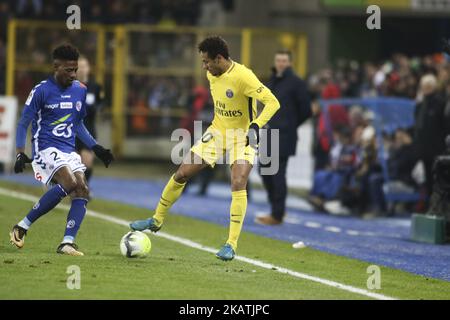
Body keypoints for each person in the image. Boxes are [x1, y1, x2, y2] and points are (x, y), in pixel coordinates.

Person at [130, 36, 280, 261]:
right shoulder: (212, 74)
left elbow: (273, 102)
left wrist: (256, 125)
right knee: (182, 172)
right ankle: (156, 220)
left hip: (243, 135)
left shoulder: (243, 76)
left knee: (238, 182)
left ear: (219, 59)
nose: (204, 67)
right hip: (218, 132)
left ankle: (231, 244)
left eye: (207, 62)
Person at [9, 44, 114, 256]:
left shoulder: (80, 90)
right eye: (69, 70)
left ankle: (67, 242)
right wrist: (20, 152)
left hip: (68, 149)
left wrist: (96, 147)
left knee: (82, 189)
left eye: (75, 69)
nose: (74, 75)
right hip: (45, 147)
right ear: (55, 67)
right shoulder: (41, 91)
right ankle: (22, 226)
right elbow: (23, 123)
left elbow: (77, 124)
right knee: (70, 183)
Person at [255, 50, 311, 225]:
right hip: (269, 133)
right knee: (264, 170)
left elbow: (306, 110)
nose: (280, 63)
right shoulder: (272, 81)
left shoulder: (296, 83)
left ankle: (277, 215)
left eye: (284, 60)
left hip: (284, 135)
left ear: (290, 63)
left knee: (277, 173)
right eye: (278, 60)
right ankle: (276, 209)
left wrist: (290, 124)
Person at [414, 74, 448, 202]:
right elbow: (417, 127)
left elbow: (444, 127)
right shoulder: (419, 105)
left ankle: (440, 206)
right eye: (423, 86)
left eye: (428, 86)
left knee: (439, 179)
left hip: (438, 149)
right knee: (427, 179)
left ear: (433, 87)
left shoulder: (440, 103)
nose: (425, 89)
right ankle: (431, 205)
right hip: (423, 149)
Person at [75, 56, 104, 190]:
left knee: (88, 162)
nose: (81, 69)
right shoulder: (69, 85)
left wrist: (98, 108)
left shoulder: (95, 87)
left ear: (88, 69)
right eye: (78, 66)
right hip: (71, 130)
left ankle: (83, 187)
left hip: (88, 129)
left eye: (84, 66)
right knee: (72, 164)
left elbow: (101, 105)